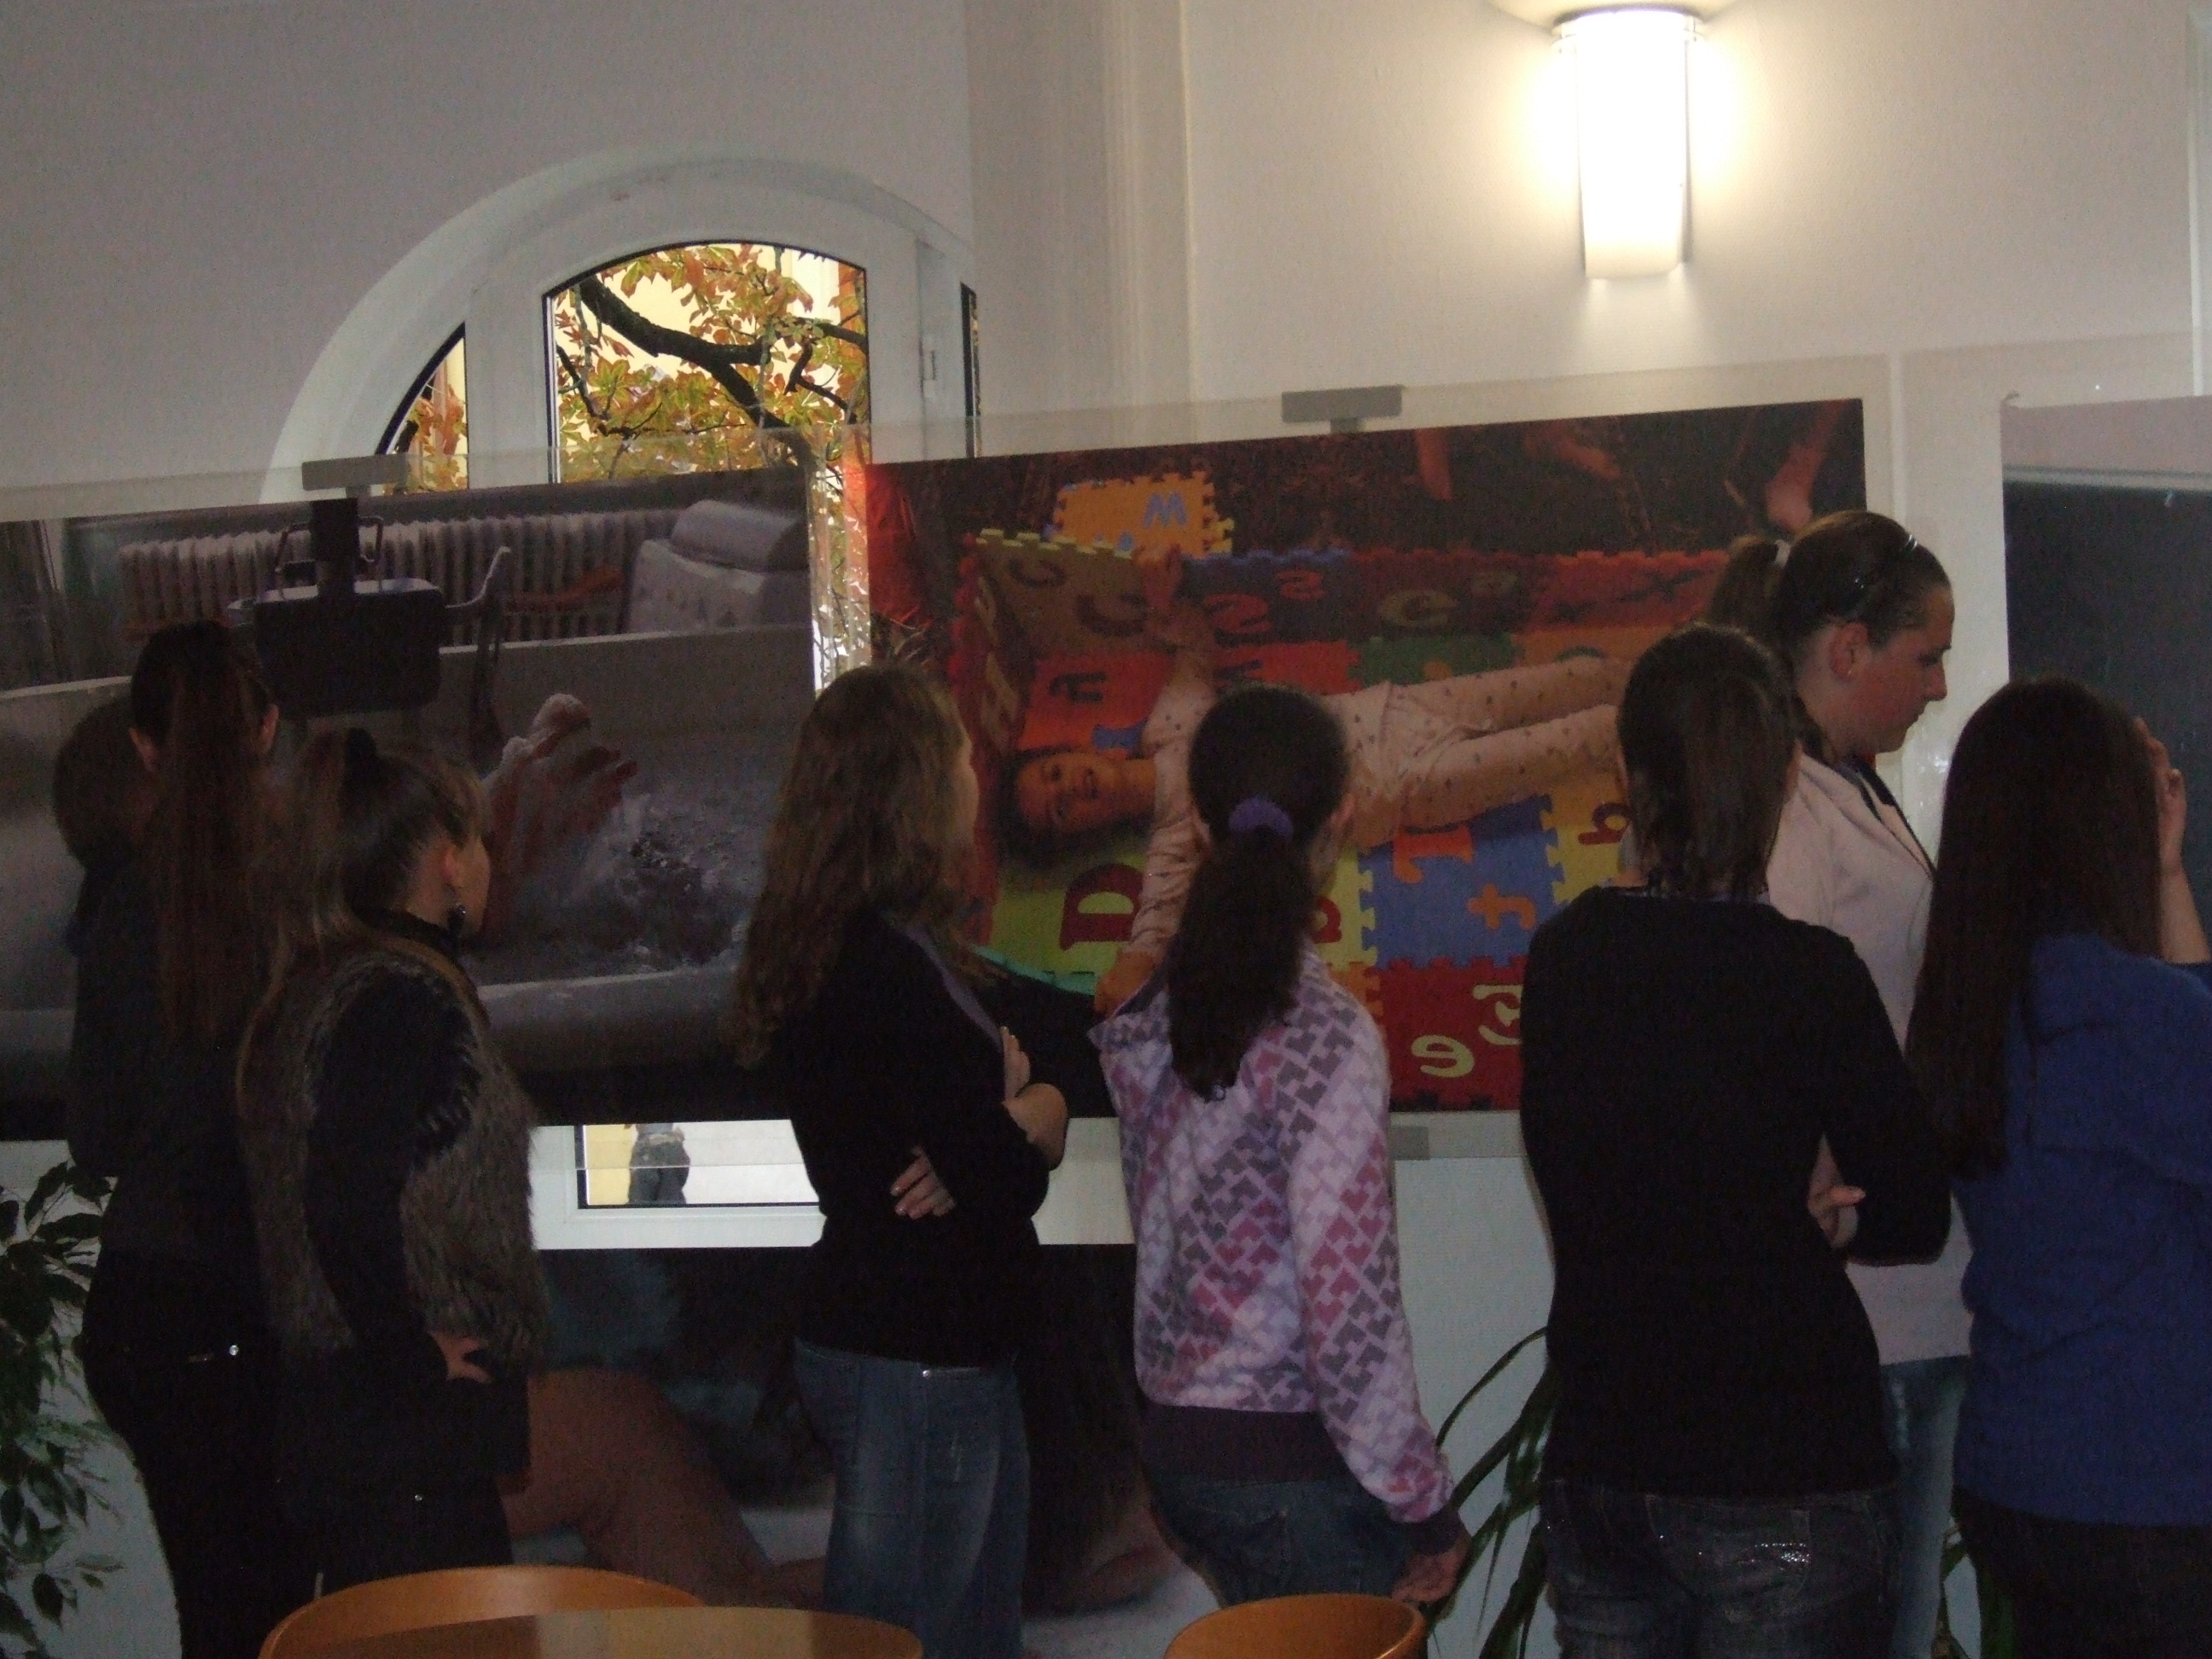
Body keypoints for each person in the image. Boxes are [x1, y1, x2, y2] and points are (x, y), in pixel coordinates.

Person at [1520, 625, 1952, 1657]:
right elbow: (1916, 1210)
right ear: (1782, 783)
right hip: (1785, 1465)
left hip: (1608, 1457)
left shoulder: (1565, 958)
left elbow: (1594, 1170)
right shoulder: (1813, 975)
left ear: (1625, 773)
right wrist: (1835, 1219)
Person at [1092, 681, 1470, 1606]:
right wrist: (1421, 1503)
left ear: (1199, 825)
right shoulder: (1324, 1041)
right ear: (1342, 818)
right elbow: (1349, 1303)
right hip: (1287, 1467)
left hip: (1179, 1450)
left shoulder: (1153, 1015)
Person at [727, 662, 1068, 1659]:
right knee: (901, 1642)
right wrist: (1020, 1123)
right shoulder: (876, 967)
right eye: (959, 753)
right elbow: (1001, 1178)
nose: (975, 774)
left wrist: (1030, 1110)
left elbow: (990, 1155)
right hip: (915, 1356)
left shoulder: (877, 946)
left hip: (929, 1347)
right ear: (916, 783)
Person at [1707, 510, 1967, 1659]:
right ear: (1849, 649)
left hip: (1910, 1292)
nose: (1941, 686)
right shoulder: (1793, 809)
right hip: (1873, 1316)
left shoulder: (1849, 790)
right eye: (1926, 656)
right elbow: (1772, 1027)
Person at [1906, 679, 2212, 1656]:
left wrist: (2165, 877)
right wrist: (2165, 878)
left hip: (2021, 1474)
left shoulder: (1971, 1008)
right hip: (2149, 1487)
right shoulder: (2130, 1012)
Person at [1000, 548, 1629, 1010]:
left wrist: (1161, 600)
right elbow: (1156, 922)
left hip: (1392, 709)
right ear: (1082, 833)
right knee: (1581, 740)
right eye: (1060, 810)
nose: (1069, 789)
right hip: (1402, 788)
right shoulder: (1175, 840)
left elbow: (1194, 651)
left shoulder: (1169, 729)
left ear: (1078, 750)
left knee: (1569, 680)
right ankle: (1661, 727)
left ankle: (1666, 668)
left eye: (1055, 774)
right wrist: (1131, 970)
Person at [237, 729, 547, 1591]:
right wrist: (410, 1355)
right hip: (401, 1436)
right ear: (448, 862)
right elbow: (341, 1201)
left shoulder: (326, 981)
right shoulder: (398, 999)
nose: (490, 862)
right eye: (481, 842)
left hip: (359, 1424)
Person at [67, 620, 307, 1658]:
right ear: (268, 728)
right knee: (282, 1612)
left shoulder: (121, 909)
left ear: (144, 746)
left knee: (222, 1611)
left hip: (145, 1311)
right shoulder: (300, 900)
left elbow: (93, 1139)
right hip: (250, 1305)